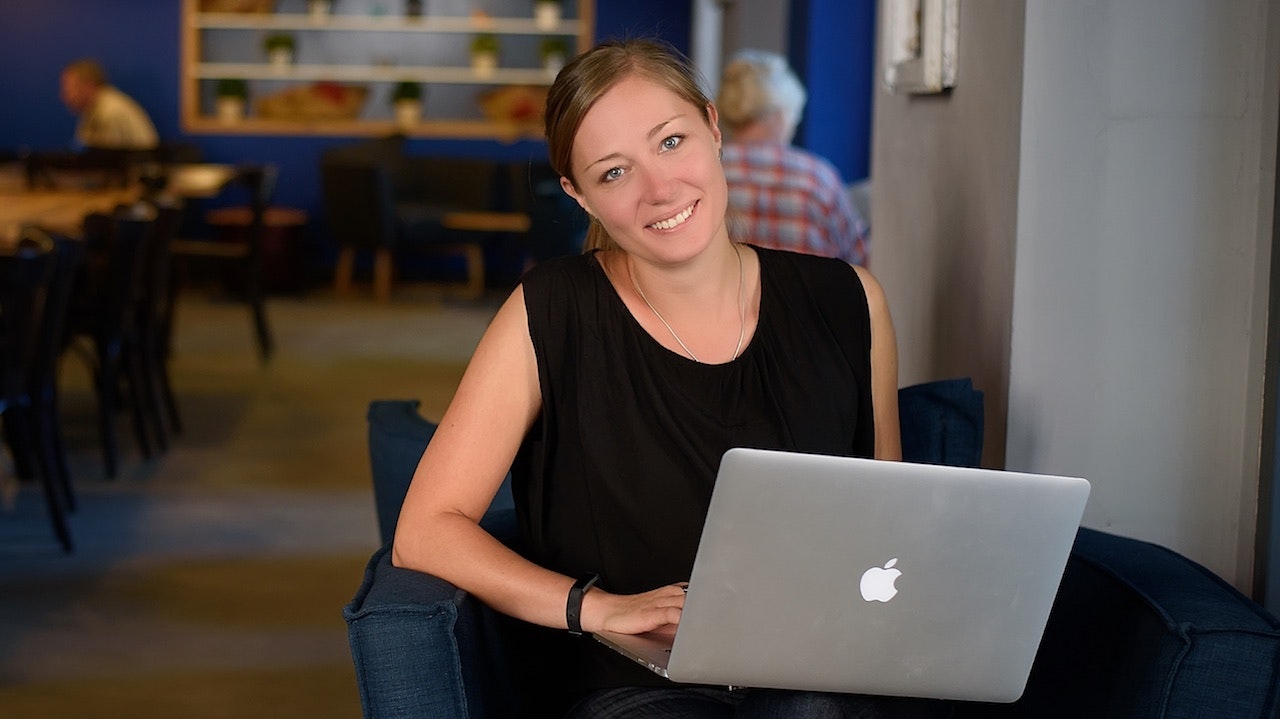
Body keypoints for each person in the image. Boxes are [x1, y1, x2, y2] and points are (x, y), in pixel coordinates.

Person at [393, 38, 945, 718]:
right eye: (615, 172)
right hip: (634, 687)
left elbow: (882, 522)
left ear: (714, 128)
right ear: (581, 195)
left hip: (813, 670)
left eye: (672, 141)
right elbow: (425, 528)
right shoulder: (552, 309)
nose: (660, 188)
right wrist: (593, 607)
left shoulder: (851, 299)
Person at [716, 49, 870, 266]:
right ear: (779, 115)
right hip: (807, 300)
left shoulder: (709, 170)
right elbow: (859, 260)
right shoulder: (819, 178)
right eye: (794, 115)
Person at [60, 58, 158, 151]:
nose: (64, 96)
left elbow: (109, 160)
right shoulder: (92, 109)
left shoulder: (111, 110)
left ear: (88, 85)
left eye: (69, 89)